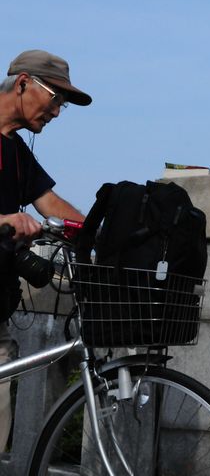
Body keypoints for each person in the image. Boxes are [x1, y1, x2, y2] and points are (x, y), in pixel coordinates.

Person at [0, 49, 92, 451]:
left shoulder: (17, 151)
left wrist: (97, 233)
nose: (56, 112)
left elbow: (49, 203)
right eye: (55, 98)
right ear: (23, 84)